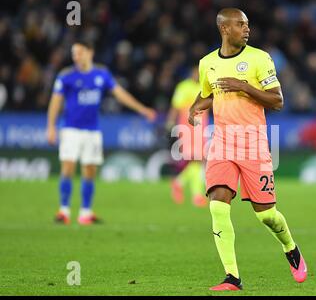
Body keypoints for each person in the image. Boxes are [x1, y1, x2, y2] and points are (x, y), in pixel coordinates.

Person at [188, 8, 307, 291]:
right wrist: (194, 108)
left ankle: (290, 247)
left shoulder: (259, 58)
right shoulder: (207, 63)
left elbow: (277, 100)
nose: (247, 29)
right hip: (222, 143)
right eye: (241, 24)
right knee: (217, 204)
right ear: (224, 29)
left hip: (253, 144)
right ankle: (232, 277)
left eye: (248, 24)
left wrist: (243, 87)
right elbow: (208, 94)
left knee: (266, 214)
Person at [46, 40, 156, 225]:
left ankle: (85, 213)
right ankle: (64, 210)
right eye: (74, 53)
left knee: (89, 170)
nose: (76, 56)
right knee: (68, 168)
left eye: (79, 52)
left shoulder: (101, 74)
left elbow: (120, 94)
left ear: (90, 52)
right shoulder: (66, 76)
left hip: (92, 130)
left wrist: (142, 109)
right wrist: (50, 126)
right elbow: (55, 102)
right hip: (71, 129)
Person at [166, 65, 208, 207]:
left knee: (199, 161)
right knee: (197, 160)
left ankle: (181, 185)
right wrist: (171, 122)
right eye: (196, 72)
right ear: (191, 73)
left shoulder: (205, 87)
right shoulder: (183, 87)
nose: (197, 75)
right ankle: (194, 193)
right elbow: (175, 106)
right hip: (187, 129)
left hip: (201, 129)